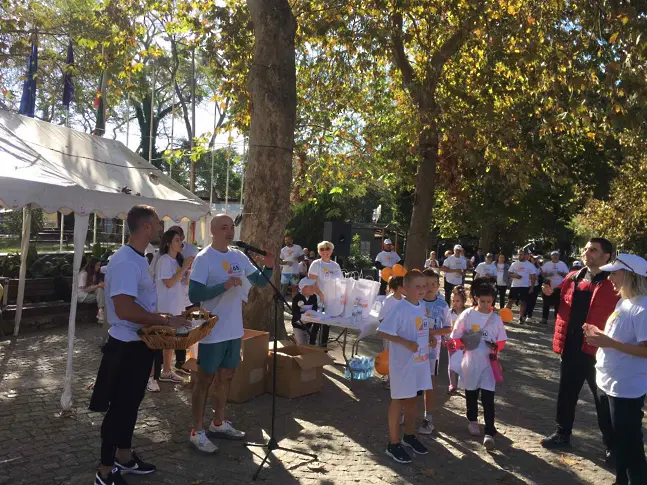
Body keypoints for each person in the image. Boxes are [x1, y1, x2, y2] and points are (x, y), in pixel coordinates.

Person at [89, 205, 190, 485]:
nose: (160, 228)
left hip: (140, 343)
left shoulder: (138, 258)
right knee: (119, 408)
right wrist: (164, 321)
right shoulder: (125, 261)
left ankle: (124, 457)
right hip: (125, 346)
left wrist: (162, 320)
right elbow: (124, 309)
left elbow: (139, 304)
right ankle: (105, 470)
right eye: (157, 223)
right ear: (145, 227)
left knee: (131, 404)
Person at [188, 214, 274, 454]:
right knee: (204, 379)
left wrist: (269, 266)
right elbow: (194, 294)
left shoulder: (239, 256)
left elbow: (258, 281)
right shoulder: (204, 258)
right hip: (212, 330)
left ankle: (218, 423)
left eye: (231, 227)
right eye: (224, 227)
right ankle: (197, 430)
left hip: (234, 329)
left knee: (227, 376)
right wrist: (221, 287)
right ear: (213, 230)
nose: (229, 231)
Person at [540, 238, 618, 465]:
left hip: (600, 350)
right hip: (572, 346)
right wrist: (549, 294)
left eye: (593, 250)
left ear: (606, 256)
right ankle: (562, 434)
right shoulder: (573, 277)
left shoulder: (614, 282)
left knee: (603, 399)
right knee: (567, 392)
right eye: (585, 248)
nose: (587, 252)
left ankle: (612, 445)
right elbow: (560, 301)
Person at [585, 253, 647, 485]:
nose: (609, 277)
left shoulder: (643, 308)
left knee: (630, 444)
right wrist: (601, 335)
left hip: (626, 387)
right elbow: (618, 339)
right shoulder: (624, 302)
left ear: (630, 276)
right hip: (608, 380)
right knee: (618, 440)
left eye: (615, 272)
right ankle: (621, 480)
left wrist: (609, 343)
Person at [378, 270, 434, 464]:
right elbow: (383, 330)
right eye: (417, 286)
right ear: (406, 288)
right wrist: (405, 343)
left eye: (424, 286)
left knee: (413, 400)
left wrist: (431, 339)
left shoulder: (422, 306)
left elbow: (421, 328)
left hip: (420, 363)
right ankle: (393, 444)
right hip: (403, 364)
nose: (421, 290)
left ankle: (408, 436)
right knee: (399, 400)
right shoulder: (399, 307)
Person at [450, 282, 507, 450]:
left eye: (489, 302)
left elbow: (502, 340)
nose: (485, 305)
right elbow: (456, 335)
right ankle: (472, 420)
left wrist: (496, 347)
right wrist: (464, 343)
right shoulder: (467, 315)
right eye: (482, 301)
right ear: (476, 299)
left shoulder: (496, 319)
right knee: (471, 393)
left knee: (488, 396)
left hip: (488, 363)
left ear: (493, 301)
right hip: (470, 360)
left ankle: (489, 430)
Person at [147, 229, 194, 392]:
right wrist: (184, 268)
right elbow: (168, 283)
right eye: (176, 240)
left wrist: (186, 274)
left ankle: (166, 371)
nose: (180, 242)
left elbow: (180, 284)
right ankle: (151, 377)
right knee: (157, 342)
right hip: (164, 307)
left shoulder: (177, 261)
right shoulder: (164, 260)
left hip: (176, 306)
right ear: (168, 244)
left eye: (181, 239)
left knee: (170, 342)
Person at [420, 269, 452, 435]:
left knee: (429, 384)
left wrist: (432, 333)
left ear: (438, 286)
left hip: (433, 352)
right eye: (426, 284)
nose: (430, 287)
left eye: (433, 284)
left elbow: (448, 327)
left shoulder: (443, 305)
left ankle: (428, 418)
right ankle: (405, 412)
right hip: (414, 350)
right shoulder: (416, 303)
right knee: (412, 382)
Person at [308, 241, 343, 346]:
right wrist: (320, 294)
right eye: (322, 249)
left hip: (332, 300)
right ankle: (311, 347)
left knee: (327, 325)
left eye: (327, 249)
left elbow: (341, 282)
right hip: (318, 299)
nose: (325, 251)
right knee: (316, 324)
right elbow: (311, 282)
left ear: (331, 251)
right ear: (319, 252)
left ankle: (323, 348)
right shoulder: (316, 264)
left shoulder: (335, 265)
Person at [506, 249, 536, 324]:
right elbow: (509, 273)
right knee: (510, 301)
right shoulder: (514, 264)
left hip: (525, 286)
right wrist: (514, 275)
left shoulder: (530, 265)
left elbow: (533, 277)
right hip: (514, 286)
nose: (519, 256)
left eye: (521, 254)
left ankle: (521, 318)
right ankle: (505, 316)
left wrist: (532, 287)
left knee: (523, 302)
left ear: (526, 255)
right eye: (519, 254)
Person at [447, 286, 467, 394]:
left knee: (463, 364)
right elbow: (446, 327)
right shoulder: (449, 313)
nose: (455, 303)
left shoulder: (467, 314)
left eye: (458, 301)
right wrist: (445, 337)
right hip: (451, 343)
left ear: (464, 301)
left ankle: (463, 383)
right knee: (452, 364)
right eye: (453, 300)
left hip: (464, 343)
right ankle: (452, 384)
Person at [541, 250, 570, 324]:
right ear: (551, 256)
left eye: (556, 255)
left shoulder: (562, 264)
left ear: (559, 256)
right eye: (554, 255)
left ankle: (556, 320)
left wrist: (561, 274)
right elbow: (542, 273)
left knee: (557, 304)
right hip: (548, 286)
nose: (555, 256)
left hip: (559, 287)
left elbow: (567, 275)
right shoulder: (547, 264)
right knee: (546, 303)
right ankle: (544, 319)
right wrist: (547, 275)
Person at [78, 257, 106, 325]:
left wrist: (99, 285)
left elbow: (95, 287)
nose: (99, 267)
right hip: (82, 295)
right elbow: (84, 289)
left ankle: (101, 313)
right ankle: (101, 314)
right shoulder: (84, 273)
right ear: (93, 265)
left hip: (90, 293)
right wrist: (97, 286)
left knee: (100, 291)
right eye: (97, 265)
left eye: (99, 265)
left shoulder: (94, 274)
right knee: (102, 296)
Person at [291, 277, 318, 345]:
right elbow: (295, 311)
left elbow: (315, 307)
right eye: (311, 287)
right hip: (298, 326)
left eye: (313, 287)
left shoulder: (313, 297)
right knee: (301, 344)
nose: (313, 289)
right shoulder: (297, 298)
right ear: (303, 288)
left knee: (307, 344)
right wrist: (302, 317)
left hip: (308, 326)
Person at [523, 254, 543, 323]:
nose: (535, 259)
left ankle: (529, 316)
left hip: (536, 285)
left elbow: (541, 274)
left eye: (536, 258)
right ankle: (523, 315)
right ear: (530, 258)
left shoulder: (537, 266)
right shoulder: (526, 265)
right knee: (526, 301)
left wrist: (539, 266)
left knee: (533, 301)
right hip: (526, 285)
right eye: (534, 258)